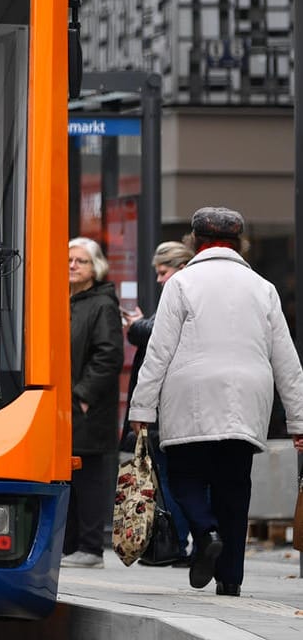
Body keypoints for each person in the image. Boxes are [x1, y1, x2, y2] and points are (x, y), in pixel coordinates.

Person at [128, 206, 303, 597]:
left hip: (191, 393)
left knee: (186, 476)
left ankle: (205, 534)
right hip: (248, 396)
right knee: (234, 487)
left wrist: (142, 408)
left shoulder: (182, 283)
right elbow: (286, 360)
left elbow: (159, 351)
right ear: (239, 243)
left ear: (194, 242)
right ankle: (231, 579)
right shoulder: (264, 288)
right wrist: (299, 421)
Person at [120, 239, 194, 564]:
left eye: (163, 272)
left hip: (169, 406)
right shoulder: (176, 293)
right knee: (169, 476)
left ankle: (173, 542)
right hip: (169, 405)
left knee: (168, 477)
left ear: (180, 268)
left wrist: (135, 325)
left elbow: (152, 334)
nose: (160, 279)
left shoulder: (182, 292)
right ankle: (178, 541)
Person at [63, 237, 123, 569]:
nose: (73, 266)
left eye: (81, 261)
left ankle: (90, 548)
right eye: (69, 260)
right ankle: (71, 546)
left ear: (95, 268)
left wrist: (83, 396)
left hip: (87, 407)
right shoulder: (65, 300)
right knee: (67, 478)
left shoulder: (101, 304)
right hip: (64, 406)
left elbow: (108, 355)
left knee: (88, 479)